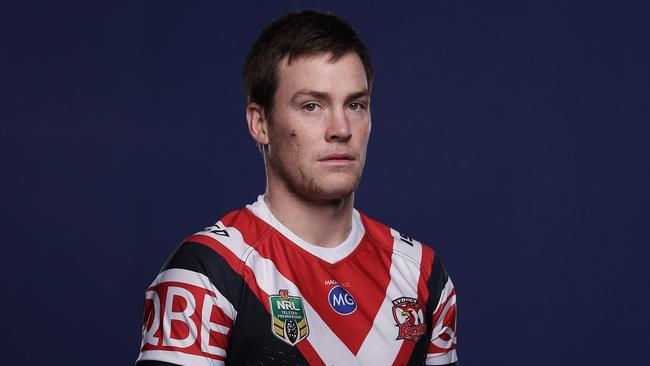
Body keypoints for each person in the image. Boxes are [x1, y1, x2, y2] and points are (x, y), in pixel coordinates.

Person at [135, 10, 458, 366]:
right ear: (260, 123)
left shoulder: (421, 273)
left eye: (355, 105)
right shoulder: (208, 271)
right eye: (311, 106)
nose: (341, 128)